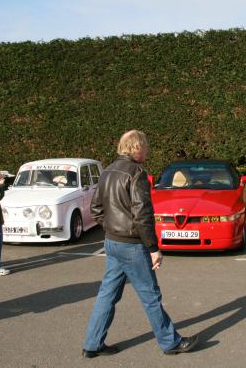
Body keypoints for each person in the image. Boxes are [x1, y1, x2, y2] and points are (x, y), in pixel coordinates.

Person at [82, 130, 198, 358]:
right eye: (145, 147)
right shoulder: (137, 173)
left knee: (107, 294)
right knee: (150, 296)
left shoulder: (107, 172)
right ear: (136, 148)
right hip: (132, 246)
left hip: (112, 242)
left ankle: (92, 345)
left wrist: (113, 228)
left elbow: (95, 209)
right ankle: (170, 342)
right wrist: (154, 249)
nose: (147, 150)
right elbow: (143, 215)